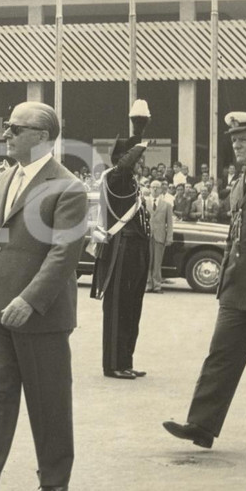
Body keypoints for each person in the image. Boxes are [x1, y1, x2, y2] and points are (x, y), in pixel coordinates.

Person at [0, 101, 87, 491]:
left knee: (48, 399)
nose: (5, 134)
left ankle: (55, 479)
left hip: (39, 313)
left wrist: (30, 299)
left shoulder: (68, 187)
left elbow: (64, 254)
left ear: (42, 136)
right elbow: (0, 241)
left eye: (14, 128)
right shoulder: (6, 178)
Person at [163, 112, 246, 449]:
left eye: (245, 138)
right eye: (234, 140)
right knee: (220, 357)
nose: (237, 145)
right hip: (239, 287)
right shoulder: (243, 179)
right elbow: (235, 234)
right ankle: (201, 425)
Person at [91, 100, 152, 380]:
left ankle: (125, 360)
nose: (141, 165)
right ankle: (113, 364)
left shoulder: (129, 183)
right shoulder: (116, 178)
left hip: (135, 249)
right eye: (137, 160)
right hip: (121, 250)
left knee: (132, 309)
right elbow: (126, 165)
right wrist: (139, 133)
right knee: (118, 310)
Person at [145, 179, 174, 294]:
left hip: (160, 236)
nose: (155, 189)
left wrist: (169, 237)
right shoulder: (144, 203)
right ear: (150, 189)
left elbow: (170, 223)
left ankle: (157, 285)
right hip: (147, 236)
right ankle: (148, 284)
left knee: (157, 262)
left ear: (161, 189)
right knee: (148, 261)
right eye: (153, 187)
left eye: (157, 187)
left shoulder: (166, 205)